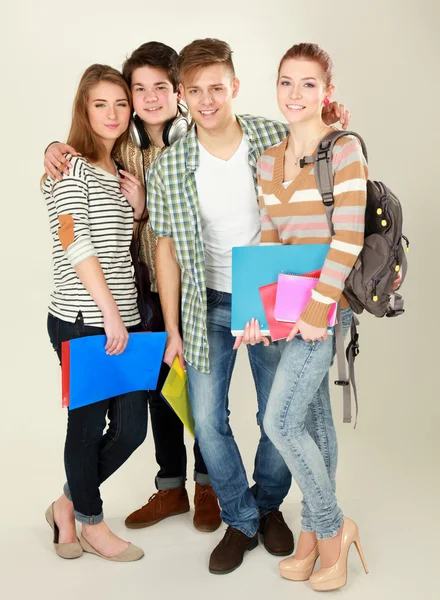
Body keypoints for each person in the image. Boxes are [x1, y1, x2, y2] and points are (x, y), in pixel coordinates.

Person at [147, 38, 351, 575]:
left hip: (271, 297)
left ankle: (267, 507)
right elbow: (165, 252)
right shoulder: (170, 166)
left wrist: (332, 114)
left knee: (275, 413)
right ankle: (239, 517)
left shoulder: (268, 134)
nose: (207, 99)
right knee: (209, 420)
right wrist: (171, 329)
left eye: (217, 87)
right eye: (195, 90)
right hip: (203, 303)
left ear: (234, 87)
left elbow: (320, 143)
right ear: (183, 97)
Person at [43, 42, 221, 534]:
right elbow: (75, 205)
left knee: (202, 388)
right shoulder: (115, 145)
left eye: (159, 87)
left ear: (179, 92)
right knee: (158, 393)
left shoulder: (201, 139)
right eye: (135, 89)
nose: (146, 98)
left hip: (198, 285)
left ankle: (209, 487)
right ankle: (171, 489)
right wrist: (54, 150)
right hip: (137, 293)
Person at [238, 43, 369, 591]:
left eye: (308, 84)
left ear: (327, 92)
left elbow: (350, 235)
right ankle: (314, 535)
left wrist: (320, 307)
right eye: (287, 82)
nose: (295, 94)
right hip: (285, 312)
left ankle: (334, 528)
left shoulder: (345, 150)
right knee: (311, 421)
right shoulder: (268, 160)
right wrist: (256, 313)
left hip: (323, 310)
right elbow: (270, 239)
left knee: (280, 422)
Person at [43, 64, 148, 562]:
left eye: (120, 103)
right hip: (83, 319)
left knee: (131, 429)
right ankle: (90, 521)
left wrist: (140, 208)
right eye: (100, 104)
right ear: (84, 110)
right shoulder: (69, 168)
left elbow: (116, 246)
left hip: (123, 320)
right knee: (85, 429)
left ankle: (66, 503)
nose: (112, 113)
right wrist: (107, 311)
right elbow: (74, 240)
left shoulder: (119, 173)